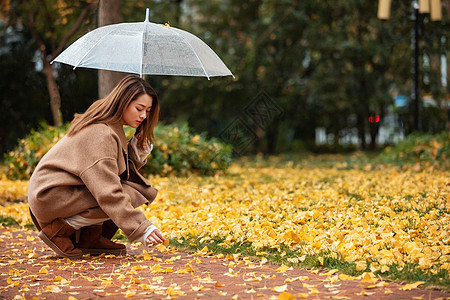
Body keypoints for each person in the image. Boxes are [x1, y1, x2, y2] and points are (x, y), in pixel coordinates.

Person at [28, 74, 165, 258]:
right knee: (127, 193)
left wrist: (136, 152)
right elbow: (107, 191)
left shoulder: (108, 125)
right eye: (139, 108)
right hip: (51, 197)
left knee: (125, 190)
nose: (143, 115)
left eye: (148, 111)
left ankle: (90, 238)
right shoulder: (102, 133)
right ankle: (57, 231)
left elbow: (111, 173)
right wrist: (141, 228)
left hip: (58, 194)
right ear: (123, 101)